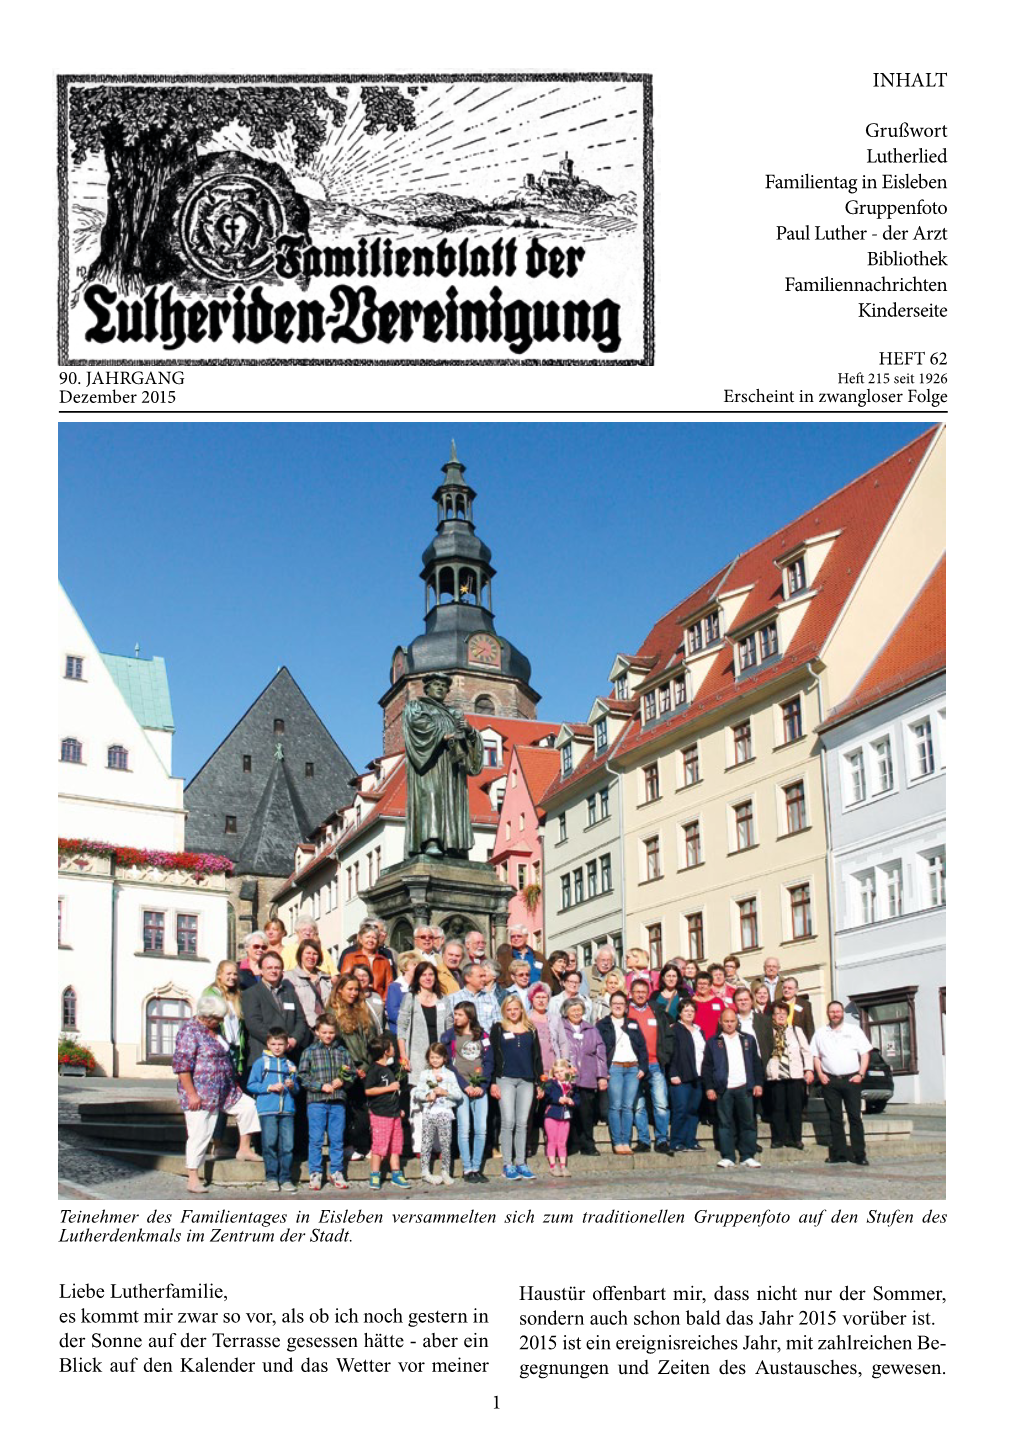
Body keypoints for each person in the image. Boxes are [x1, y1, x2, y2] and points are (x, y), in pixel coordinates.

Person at [172, 994, 260, 1193]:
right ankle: (193, 1177)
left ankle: (244, 1149)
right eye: (217, 1018)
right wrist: (192, 1094)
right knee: (199, 1134)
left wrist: (233, 1082)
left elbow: (225, 1057)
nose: (220, 1022)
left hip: (225, 1089)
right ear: (206, 1016)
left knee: (248, 1107)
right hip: (201, 1093)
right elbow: (182, 1067)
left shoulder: (215, 1028)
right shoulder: (189, 1032)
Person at [403, 672, 483, 858]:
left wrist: (469, 731)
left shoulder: (454, 713)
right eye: (436, 684)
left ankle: (453, 845)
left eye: (444, 686)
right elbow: (417, 727)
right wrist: (443, 735)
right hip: (430, 763)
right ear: (427, 688)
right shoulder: (416, 706)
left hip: (453, 766)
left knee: (454, 801)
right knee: (431, 795)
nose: (440, 687)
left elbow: (472, 742)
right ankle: (431, 841)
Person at [398, 961, 454, 1153]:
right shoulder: (410, 998)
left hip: (439, 1058)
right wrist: (403, 1056)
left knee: (439, 1100)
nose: (428, 978)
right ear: (418, 978)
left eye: (431, 974)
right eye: (424, 975)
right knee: (420, 1102)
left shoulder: (443, 1000)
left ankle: (438, 1146)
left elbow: (449, 1028)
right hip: (417, 1055)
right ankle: (420, 1146)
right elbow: (402, 1029)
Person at [701, 1009, 764, 1168]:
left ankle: (747, 1155)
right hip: (724, 1088)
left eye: (732, 1021)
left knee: (748, 1122)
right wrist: (709, 1087)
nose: (729, 1024)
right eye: (726, 1021)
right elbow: (707, 1067)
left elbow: (756, 1063)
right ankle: (728, 1155)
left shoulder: (747, 1039)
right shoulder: (713, 1041)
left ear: (737, 1022)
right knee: (725, 1123)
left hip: (745, 1087)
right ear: (720, 1022)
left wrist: (758, 1083)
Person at [810, 1001, 872, 1166]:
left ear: (842, 1012)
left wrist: (861, 1073)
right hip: (830, 1080)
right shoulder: (820, 1033)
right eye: (832, 1012)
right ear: (827, 1013)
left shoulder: (854, 1030)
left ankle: (859, 1154)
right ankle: (839, 1153)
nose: (835, 1014)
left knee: (854, 1118)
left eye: (837, 1011)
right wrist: (820, 1074)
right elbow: (815, 1056)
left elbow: (865, 1053)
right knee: (835, 1117)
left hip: (852, 1079)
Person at [489, 995, 543, 1180]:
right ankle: (507, 1164)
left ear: (521, 1010)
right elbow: (492, 1056)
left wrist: (539, 1082)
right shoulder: (498, 1028)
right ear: (505, 1011)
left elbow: (537, 1057)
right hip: (505, 1079)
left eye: (516, 1008)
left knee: (522, 1122)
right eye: (509, 1009)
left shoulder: (530, 1029)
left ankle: (521, 1162)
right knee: (508, 1121)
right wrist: (493, 1081)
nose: (513, 1012)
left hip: (526, 1079)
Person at [298, 1013, 354, 1190]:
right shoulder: (309, 1051)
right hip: (317, 1101)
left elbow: (351, 1073)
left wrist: (343, 1081)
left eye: (331, 1032)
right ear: (317, 1032)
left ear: (335, 1032)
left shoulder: (342, 1052)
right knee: (315, 1138)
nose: (328, 1036)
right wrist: (320, 1086)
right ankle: (315, 1171)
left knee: (337, 1138)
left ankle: (337, 1171)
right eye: (324, 1032)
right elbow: (302, 1076)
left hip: (337, 1101)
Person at [441, 1001, 493, 1184]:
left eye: (460, 1015)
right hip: (461, 1087)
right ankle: (467, 1167)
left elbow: (488, 1061)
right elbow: (448, 1064)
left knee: (481, 1129)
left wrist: (482, 1085)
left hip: (479, 1086)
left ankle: (477, 1167)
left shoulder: (482, 1035)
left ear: (470, 1016)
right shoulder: (449, 1036)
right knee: (464, 1128)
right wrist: (465, 1085)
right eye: (455, 1014)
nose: (456, 1018)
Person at [328, 973, 379, 1156]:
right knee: (348, 1110)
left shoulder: (363, 1011)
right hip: (347, 1068)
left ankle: (363, 1145)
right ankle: (348, 1145)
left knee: (363, 1111)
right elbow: (336, 1044)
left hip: (366, 1066)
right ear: (340, 989)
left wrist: (367, 1066)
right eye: (350, 988)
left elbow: (372, 1040)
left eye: (356, 989)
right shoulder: (332, 1013)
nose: (354, 993)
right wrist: (353, 1068)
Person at [246, 1026, 300, 1192]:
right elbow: (251, 1085)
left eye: (280, 1044)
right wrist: (269, 1087)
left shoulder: (290, 1064)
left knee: (288, 1146)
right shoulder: (261, 1063)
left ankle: (285, 1178)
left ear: (286, 1045)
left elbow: (297, 1089)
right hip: (267, 1110)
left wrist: (292, 1086)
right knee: (269, 1144)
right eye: (274, 1043)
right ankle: (271, 1177)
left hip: (287, 1111)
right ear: (268, 1044)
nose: (277, 1047)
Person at [597, 990, 648, 1155]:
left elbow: (642, 1046)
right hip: (615, 1068)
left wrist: (643, 1068)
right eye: (615, 1003)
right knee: (615, 1106)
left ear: (626, 1007)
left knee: (628, 1107)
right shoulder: (603, 1024)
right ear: (610, 1006)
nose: (618, 1006)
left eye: (621, 1003)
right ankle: (617, 1141)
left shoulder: (632, 1023)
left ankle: (626, 1141)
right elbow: (599, 1050)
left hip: (632, 1068)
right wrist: (603, 1071)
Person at [628, 977, 674, 1155]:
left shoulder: (656, 1011)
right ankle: (643, 1140)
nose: (640, 995)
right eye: (637, 992)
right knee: (638, 1105)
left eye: (643, 992)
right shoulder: (626, 1012)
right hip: (634, 1065)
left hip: (655, 1063)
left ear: (648, 994)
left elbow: (668, 1035)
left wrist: (666, 1056)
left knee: (661, 1104)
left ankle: (662, 1140)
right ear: (631, 994)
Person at [762, 999, 814, 1150]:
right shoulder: (768, 1031)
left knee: (795, 1109)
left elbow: (806, 1051)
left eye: (783, 1013)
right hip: (776, 1075)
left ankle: (795, 1138)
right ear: (772, 1016)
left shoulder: (796, 1030)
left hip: (795, 1074)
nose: (780, 1016)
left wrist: (808, 1069)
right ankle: (778, 1139)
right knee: (778, 1108)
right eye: (777, 1013)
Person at [558, 996, 607, 1155]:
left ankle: (588, 1145)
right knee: (569, 1113)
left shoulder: (591, 1029)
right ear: (566, 1012)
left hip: (587, 1075)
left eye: (579, 1009)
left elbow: (600, 1054)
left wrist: (601, 1076)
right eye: (573, 1009)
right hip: (567, 1077)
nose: (577, 1012)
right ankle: (571, 1144)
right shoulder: (561, 1028)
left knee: (586, 1114)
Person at [241, 952, 310, 1063]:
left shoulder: (290, 992)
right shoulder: (251, 993)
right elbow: (253, 1024)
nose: (273, 971)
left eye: (277, 968)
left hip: (291, 1055)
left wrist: (294, 1039)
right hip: (264, 1054)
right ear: (261, 970)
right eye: (269, 968)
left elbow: (300, 1020)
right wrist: (278, 1042)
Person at [364, 1034, 412, 1189]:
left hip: (394, 1113)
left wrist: (398, 1109)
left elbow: (395, 1093)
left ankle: (396, 1173)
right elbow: (368, 1090)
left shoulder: (390, 1068)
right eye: (391, 1046)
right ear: (385, 1051)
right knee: (379, 1144)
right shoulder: (374, 1069)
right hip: (380, 1114)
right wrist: (389, 1088)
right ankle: (375, 1174)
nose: (394, 1048)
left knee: (396, 1144)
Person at [413, 1042, 464, 1185]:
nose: (435, 1060)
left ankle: (445, 1171)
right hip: (429, 1112)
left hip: (444, 1112)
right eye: (432, 1057)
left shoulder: (450, 1074)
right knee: (426, 1142)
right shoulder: (425, 1074)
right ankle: (424, 1171)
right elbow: (418, 1092)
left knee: (445, 1143)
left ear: (444, 1058)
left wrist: (445, 1092)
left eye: (438, 1057)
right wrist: (427, 1096)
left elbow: (458, 1094)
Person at [666, 998, 706, 1153]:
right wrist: (672, 1073)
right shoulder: (675, 1029)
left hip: (698, 1076)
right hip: (681, 1076)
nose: (689, 1013)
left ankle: (691, 1140)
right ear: (680, 1013)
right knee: (680, 1109)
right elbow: (671, 1053)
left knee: (693, 1110)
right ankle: (676, 1141)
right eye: (686, 1010)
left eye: (691, 1011)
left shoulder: (698, 1030)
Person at [201, 960, 248, 1077]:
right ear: (219, 975)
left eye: (235, 974)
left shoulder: (237, 996)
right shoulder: (211, 993)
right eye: (229, 974)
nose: (232, 977)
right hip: (220, 1047)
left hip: (235, 1049)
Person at [289, 938, 333, 1031]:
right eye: (308, 953)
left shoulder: (326, 978)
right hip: (304, 1028)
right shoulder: (290, 977)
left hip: (325, 1030)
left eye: (315, 954)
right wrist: (316, 1023)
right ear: (300, 954)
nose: (311, 957)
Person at [338, 923, 392, 999]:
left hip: (377, 1003)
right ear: (360, 939)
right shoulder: (350, 957)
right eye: (367, 937)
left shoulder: (384, 961)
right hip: (355, 1001)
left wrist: (383, 1001)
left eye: (374, 938)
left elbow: (389, 985)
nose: (371, 940)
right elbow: (344, 981)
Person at [542, 1058, 576, 1177]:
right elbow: (546, 1097)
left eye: (562, 1071)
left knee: (562, 1142)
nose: (560, 1074)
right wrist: (557, 1099)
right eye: (557, 1072)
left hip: (565, 1117)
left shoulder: (571, 1084)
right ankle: (552, 1165)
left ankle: (563, 1165)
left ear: (567, 1071)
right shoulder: (550, 1083)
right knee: (552, 1141)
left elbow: (578, 1099)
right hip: (552, 1115)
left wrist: (572, 1100)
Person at [448, 961, 502, 1032]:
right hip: (463, 1040)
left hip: (487, 1040)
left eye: (484, 976)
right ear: (468, 978)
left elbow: (498, 1021)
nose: (484, 979)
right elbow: (449, 1024)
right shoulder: (453, 999)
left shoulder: (491, 998)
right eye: (480, 976)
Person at [527, 984, 567, 1074]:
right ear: (531, 999)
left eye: (544, 997)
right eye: (537, 997)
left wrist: (564, 1063)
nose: (541, 1000)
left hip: (552, 1067)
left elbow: (563, 1042)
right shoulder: (525, 1018)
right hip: (531, 1067)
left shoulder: (556, 1019)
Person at [772, 976, 816, 1040]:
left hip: (798, 1041)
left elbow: (809, 1027)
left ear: (796, 990)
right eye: (784, 988)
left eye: (790, 988)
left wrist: (811, 1045)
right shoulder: (775, 1004)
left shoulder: (804, 1005)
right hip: (779, 1040)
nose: (786, 990)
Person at [385, 954, 418, 1029]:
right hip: (400, 1030)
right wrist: (413, 1021)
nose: (417, 967)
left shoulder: (420, 986)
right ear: (404, 967)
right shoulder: (395, 987)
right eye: (414, 965)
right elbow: (393, 1013)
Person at [351, 964, 386, 1032]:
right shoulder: (351, 998)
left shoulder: (377, 996)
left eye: (365, 975)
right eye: (358, 976)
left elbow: (383, 1018)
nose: (361, 978)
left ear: (370, 978)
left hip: (379, 1038)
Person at [692, 971, 727, 1039]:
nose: (702, 986)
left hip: (716, 1040)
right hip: (696, 1040)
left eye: (705, 983)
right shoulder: (691, 1002)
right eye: (700, 983)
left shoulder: (718, 1001)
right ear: (696, 985)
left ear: (710, 985)